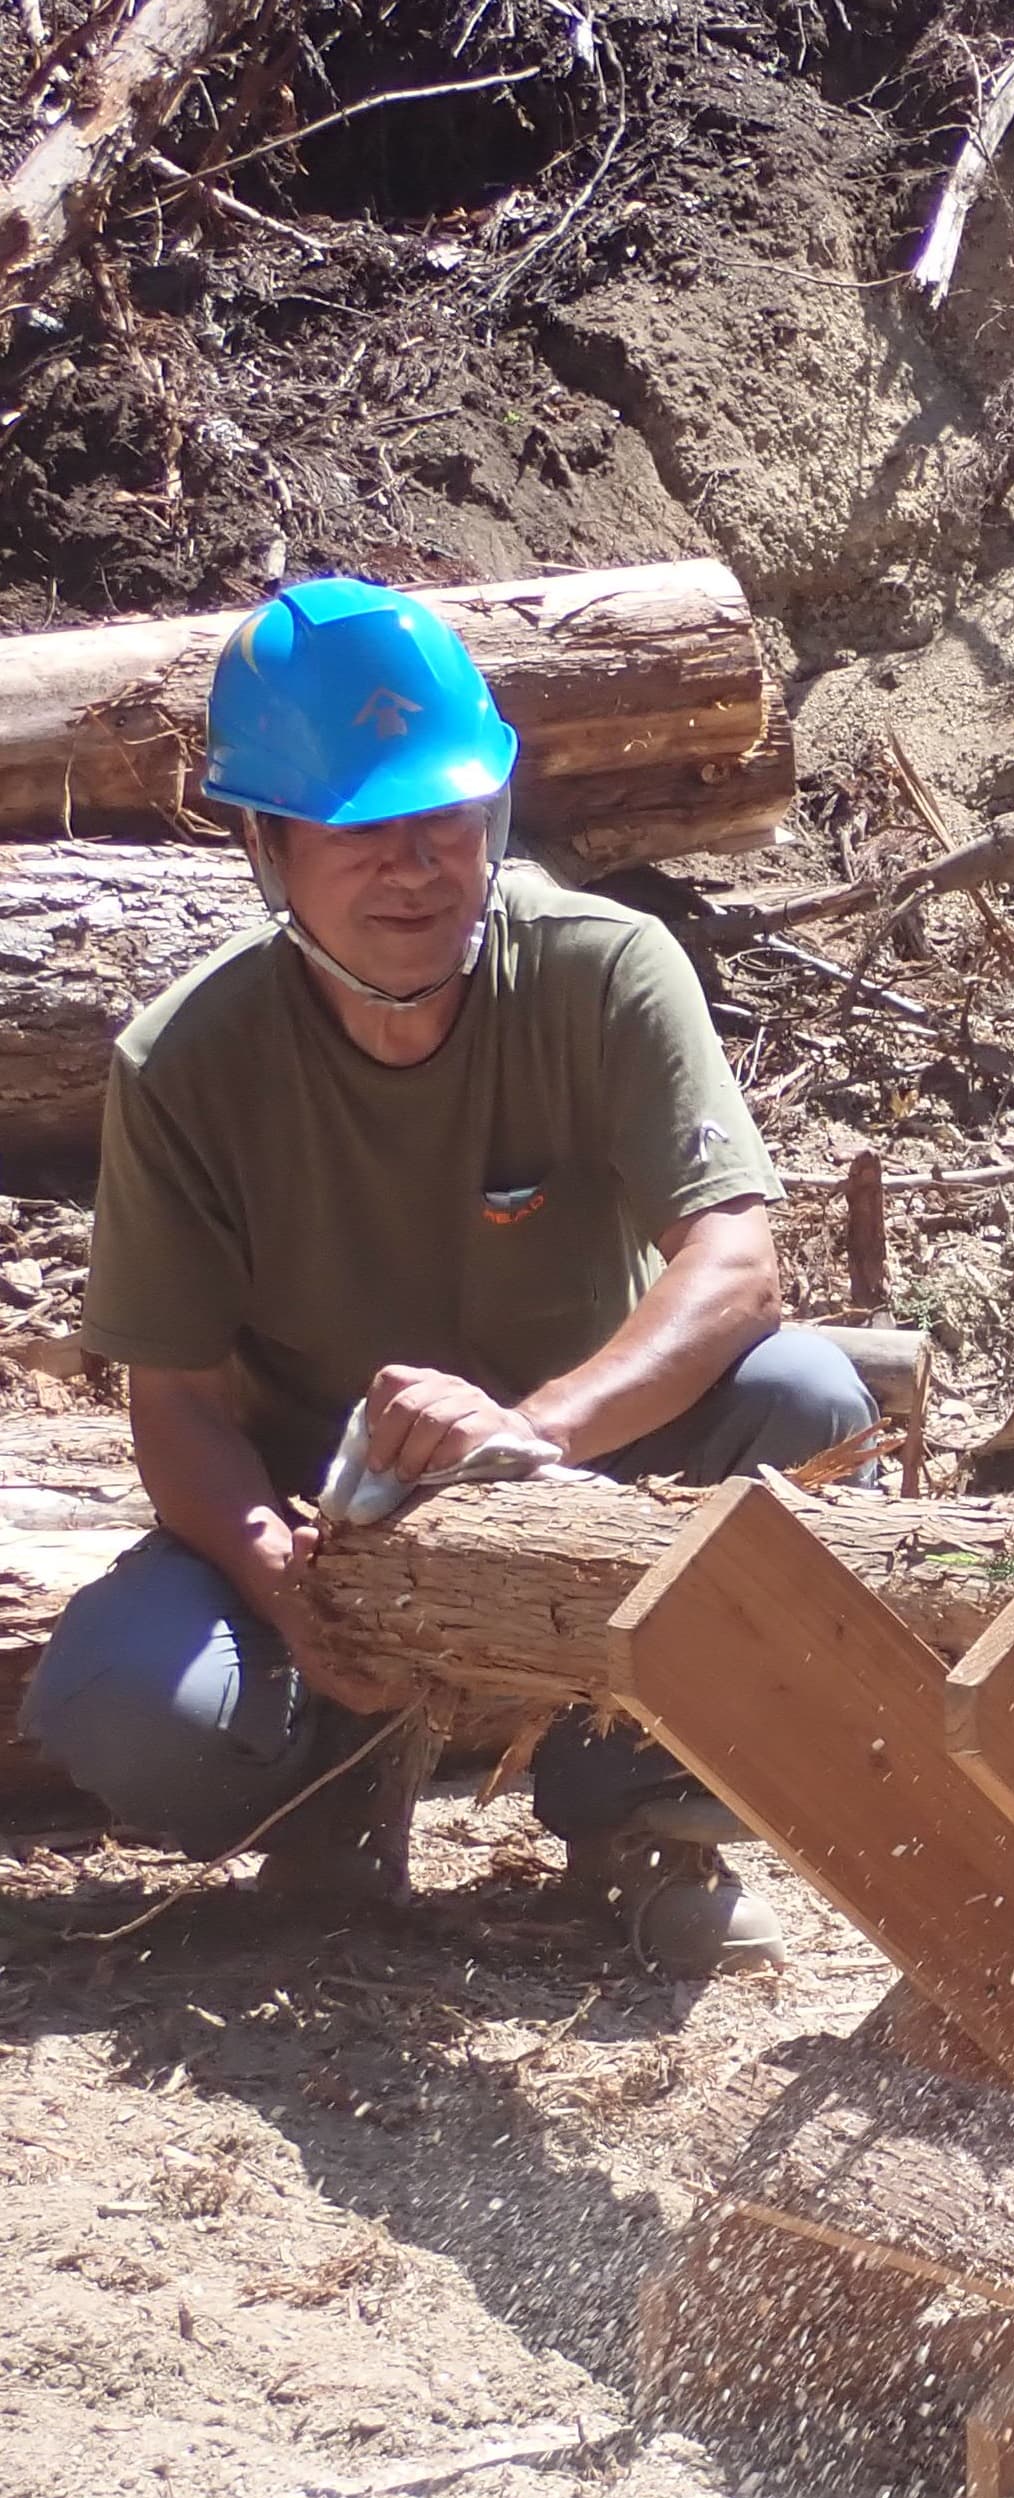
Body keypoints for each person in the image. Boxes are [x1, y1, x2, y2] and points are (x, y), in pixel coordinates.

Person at [18, 578, 873, 1976]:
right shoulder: (186, 1061)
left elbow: (732, 1265)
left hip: (598, 1485)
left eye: (447, 818)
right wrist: (290, 1584)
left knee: (805, 1406)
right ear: (266, 847)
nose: (414, 863)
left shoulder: (603, 969)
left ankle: (633, 1804)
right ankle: (335, 1776)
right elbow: (175, 1406)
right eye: (361, 829)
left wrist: (534, 1439)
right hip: (324, 1513)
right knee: (127, 1700)